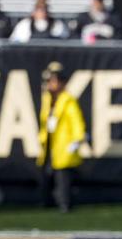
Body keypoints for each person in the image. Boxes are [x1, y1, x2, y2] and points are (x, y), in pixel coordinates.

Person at [37, 62, 86, 213]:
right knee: (48, 174)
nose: (50, 84)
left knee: (63, 176)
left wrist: (77, 139)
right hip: (50, 143)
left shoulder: (68, 100)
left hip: (63, 143)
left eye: (52, 81)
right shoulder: (48, 99)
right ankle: (49, 201)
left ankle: (65, 203)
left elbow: (76, 121)